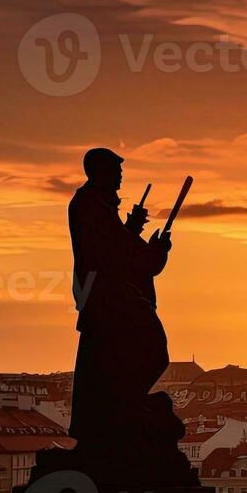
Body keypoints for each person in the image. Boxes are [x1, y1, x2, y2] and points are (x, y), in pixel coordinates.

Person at [67, 147, 172, 449]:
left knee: (109, 360)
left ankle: (118, 411)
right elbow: (114, 252)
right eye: (117, 170)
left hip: (109, 297)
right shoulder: (91, 205)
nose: (121, 175)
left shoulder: (95, 204)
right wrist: (153, 251)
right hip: (110, 299)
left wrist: (134, 230)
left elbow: (115, 245)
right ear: (100, 172)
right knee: (150, 349)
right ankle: (123, 410)